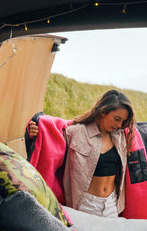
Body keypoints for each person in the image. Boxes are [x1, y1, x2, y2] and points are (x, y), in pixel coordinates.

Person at [28, 89, 135, 218]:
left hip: (112, 204)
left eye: (123, 121)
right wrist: (35, 132)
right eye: (117, 119)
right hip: (85, 205)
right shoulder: (75, 132)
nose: (119, 125)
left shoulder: (122, 136)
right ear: (103, 112)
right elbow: (50, 141)